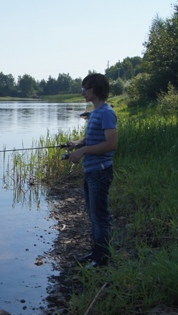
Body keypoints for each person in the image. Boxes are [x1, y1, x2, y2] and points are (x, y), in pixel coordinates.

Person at [66, 73, 118, 266]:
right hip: (91, 171)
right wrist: (78, 143)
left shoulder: (106, 112)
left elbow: (111, 144)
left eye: (85, 89)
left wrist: (85, 150)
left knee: (100, 216)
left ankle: (103, 258)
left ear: (95, 89)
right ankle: (97, 253)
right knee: (93, 214)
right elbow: (95, 138)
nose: (82, 93)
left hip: (100, 172)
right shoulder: (95, 112)